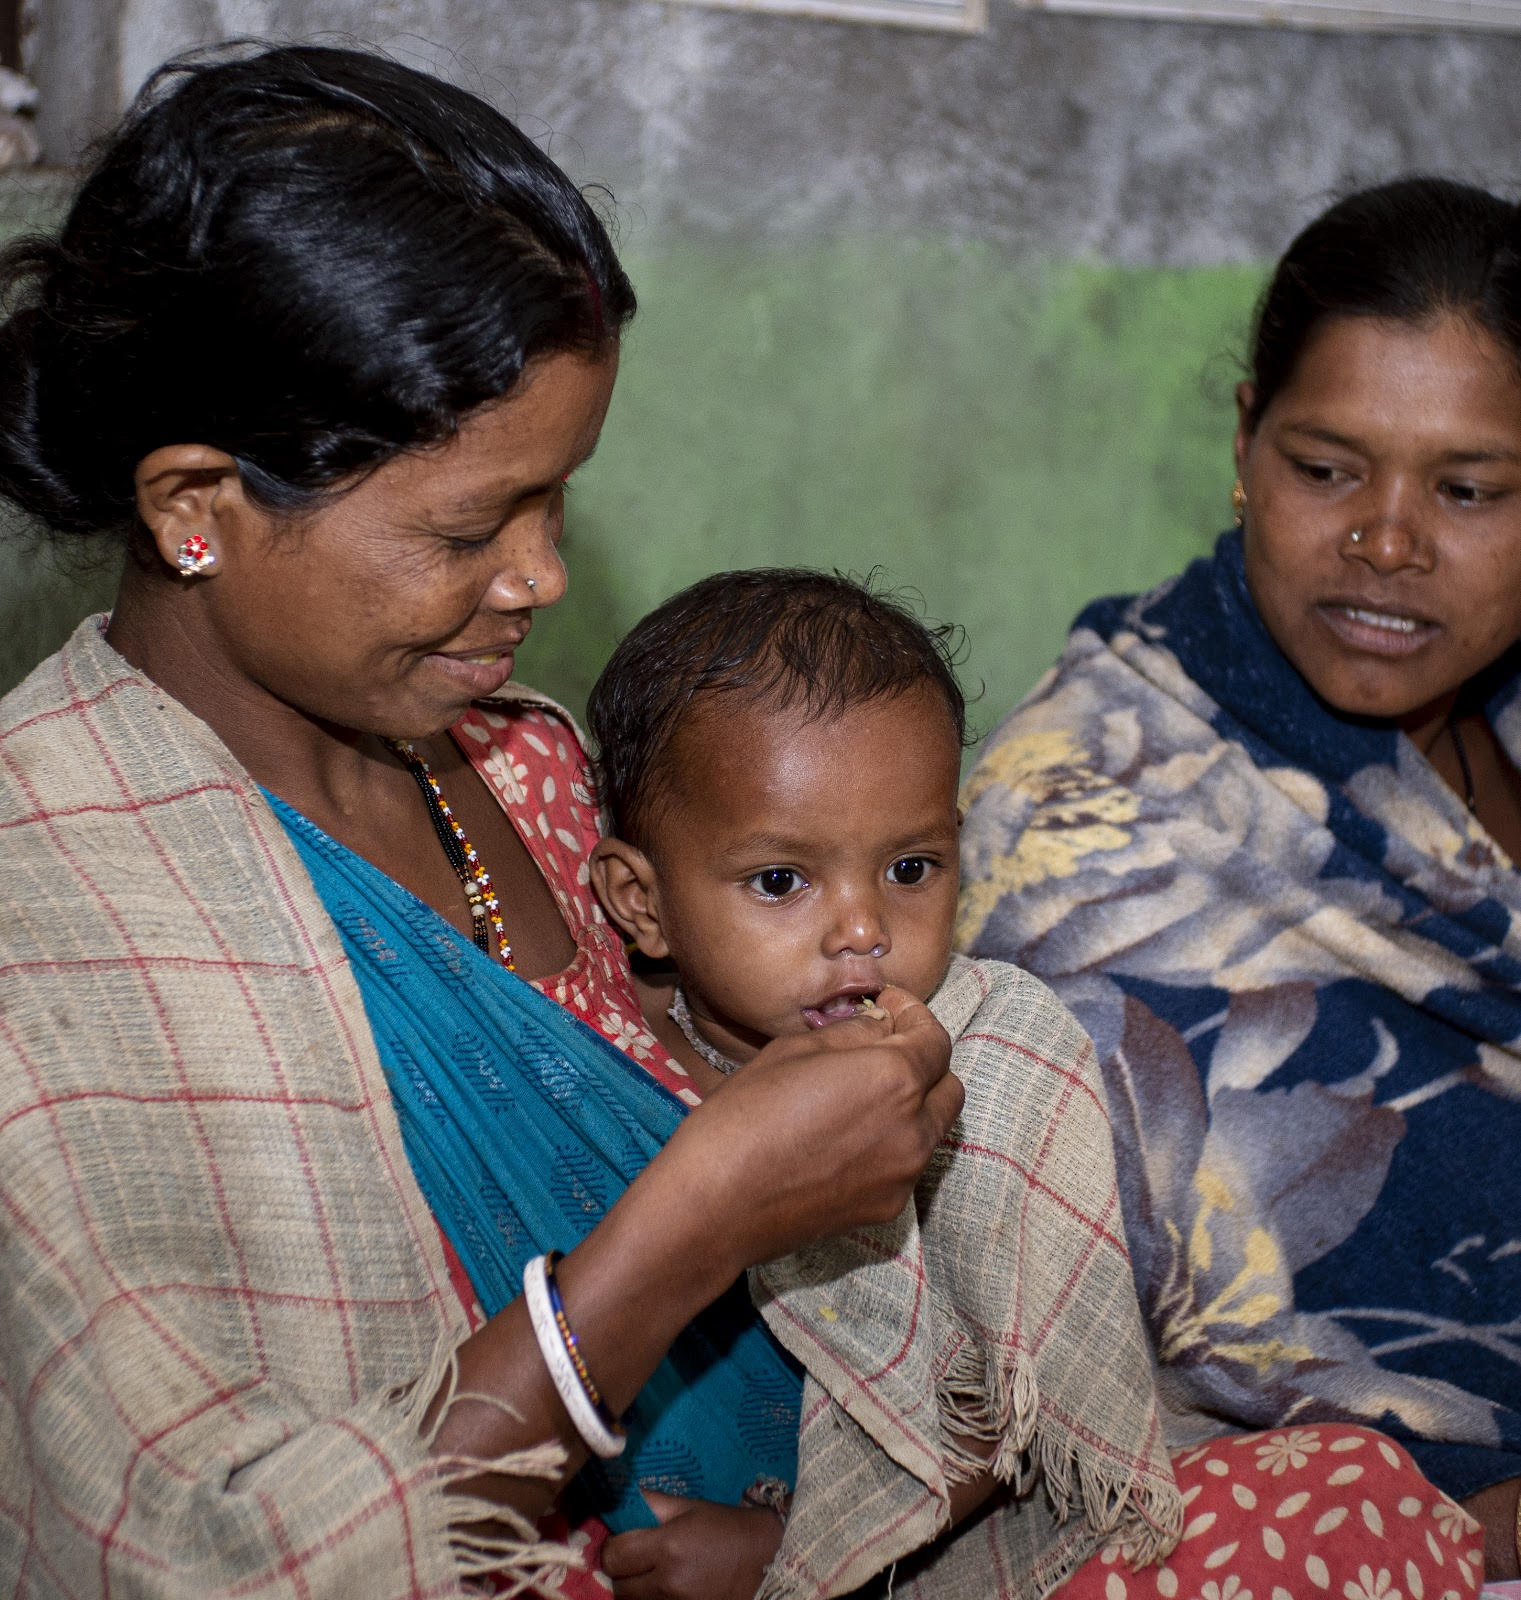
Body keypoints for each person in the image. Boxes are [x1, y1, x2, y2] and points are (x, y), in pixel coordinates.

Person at [0, 46, 970, 1599]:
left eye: (558, 499)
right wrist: (688, 1231)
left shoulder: (534, 774)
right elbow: (224, 1557)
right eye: (469, 526)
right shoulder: (48, 920)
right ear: (196, 506)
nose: (542, 580)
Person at [959, 176, 1521, 1599]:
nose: (1386, 541)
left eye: (1468, 490)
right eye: (1326, 467)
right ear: (1243, 446)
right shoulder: (1087, 830)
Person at [583, 567, 1182, 1599]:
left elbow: (1009, 1402)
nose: (863, 929)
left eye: (911, 868)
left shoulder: (991, 1052)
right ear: (641, 902)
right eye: (782, 880)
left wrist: (793, 1551)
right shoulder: (602, 1069)